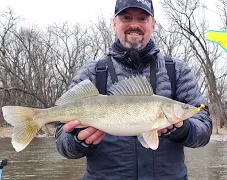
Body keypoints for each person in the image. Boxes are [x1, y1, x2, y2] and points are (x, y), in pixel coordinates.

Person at [55, 0, 213, 179]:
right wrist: (77, 141)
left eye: (143, 18)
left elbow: (204, 128)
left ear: (153, 24)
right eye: (126, 17)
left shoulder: (176, 70)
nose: (134, 24)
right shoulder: (91, 73)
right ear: (114, 23)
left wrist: (185, 130)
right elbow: (62, 142)